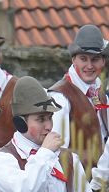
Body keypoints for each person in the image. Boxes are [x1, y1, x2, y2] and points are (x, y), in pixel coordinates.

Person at [50, 25, 108, 172]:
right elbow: (57, 152)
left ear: (103, 62)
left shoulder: (100, 90)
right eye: (83, 59)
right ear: (73, 60)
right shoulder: (60, 97)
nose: (89, 66)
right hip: (76, 187)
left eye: (95, 59)